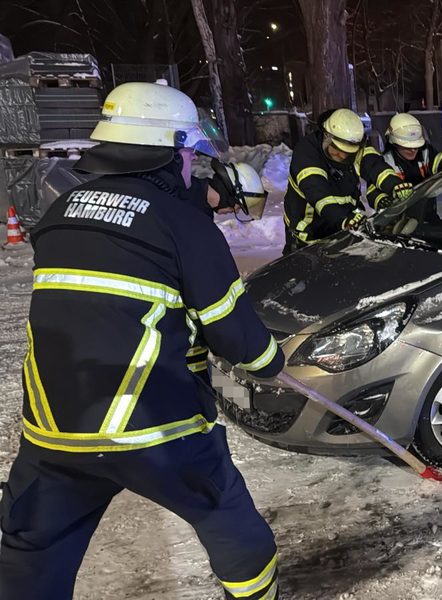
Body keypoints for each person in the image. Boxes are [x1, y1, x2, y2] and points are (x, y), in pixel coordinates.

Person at [0, 82, 283, 599]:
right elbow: (236, 337)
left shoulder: (62, 212)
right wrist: (271, 362)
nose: (190, 167)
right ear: (171, 152)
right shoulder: (183, 227)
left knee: (31, 556)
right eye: (187, 156)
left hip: (55, 432)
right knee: (234, 529)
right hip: (154, 429)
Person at [186, 160, 268, 382]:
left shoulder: (193, 197)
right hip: (177, 325)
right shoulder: (191, 212)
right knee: (193, 375)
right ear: (230, 193)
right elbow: (211, 292)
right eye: (237, 205)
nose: (234, 210)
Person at [283, 108, 407, 253]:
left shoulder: (354, 143)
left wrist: (394, 184)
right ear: (326, 137)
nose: (342, 156)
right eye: (336, 150)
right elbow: (319, 194)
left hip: (343, 229)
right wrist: (343, 219)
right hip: (309, 236)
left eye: (348, 153)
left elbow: (373, 165)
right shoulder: (307, 154)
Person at [382, 113, 442, 185]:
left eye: (416, 146)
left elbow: (438, 159)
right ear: (395, 144)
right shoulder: (386, 163)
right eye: (408, 147)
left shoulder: (425, 152)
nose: (413, 150)